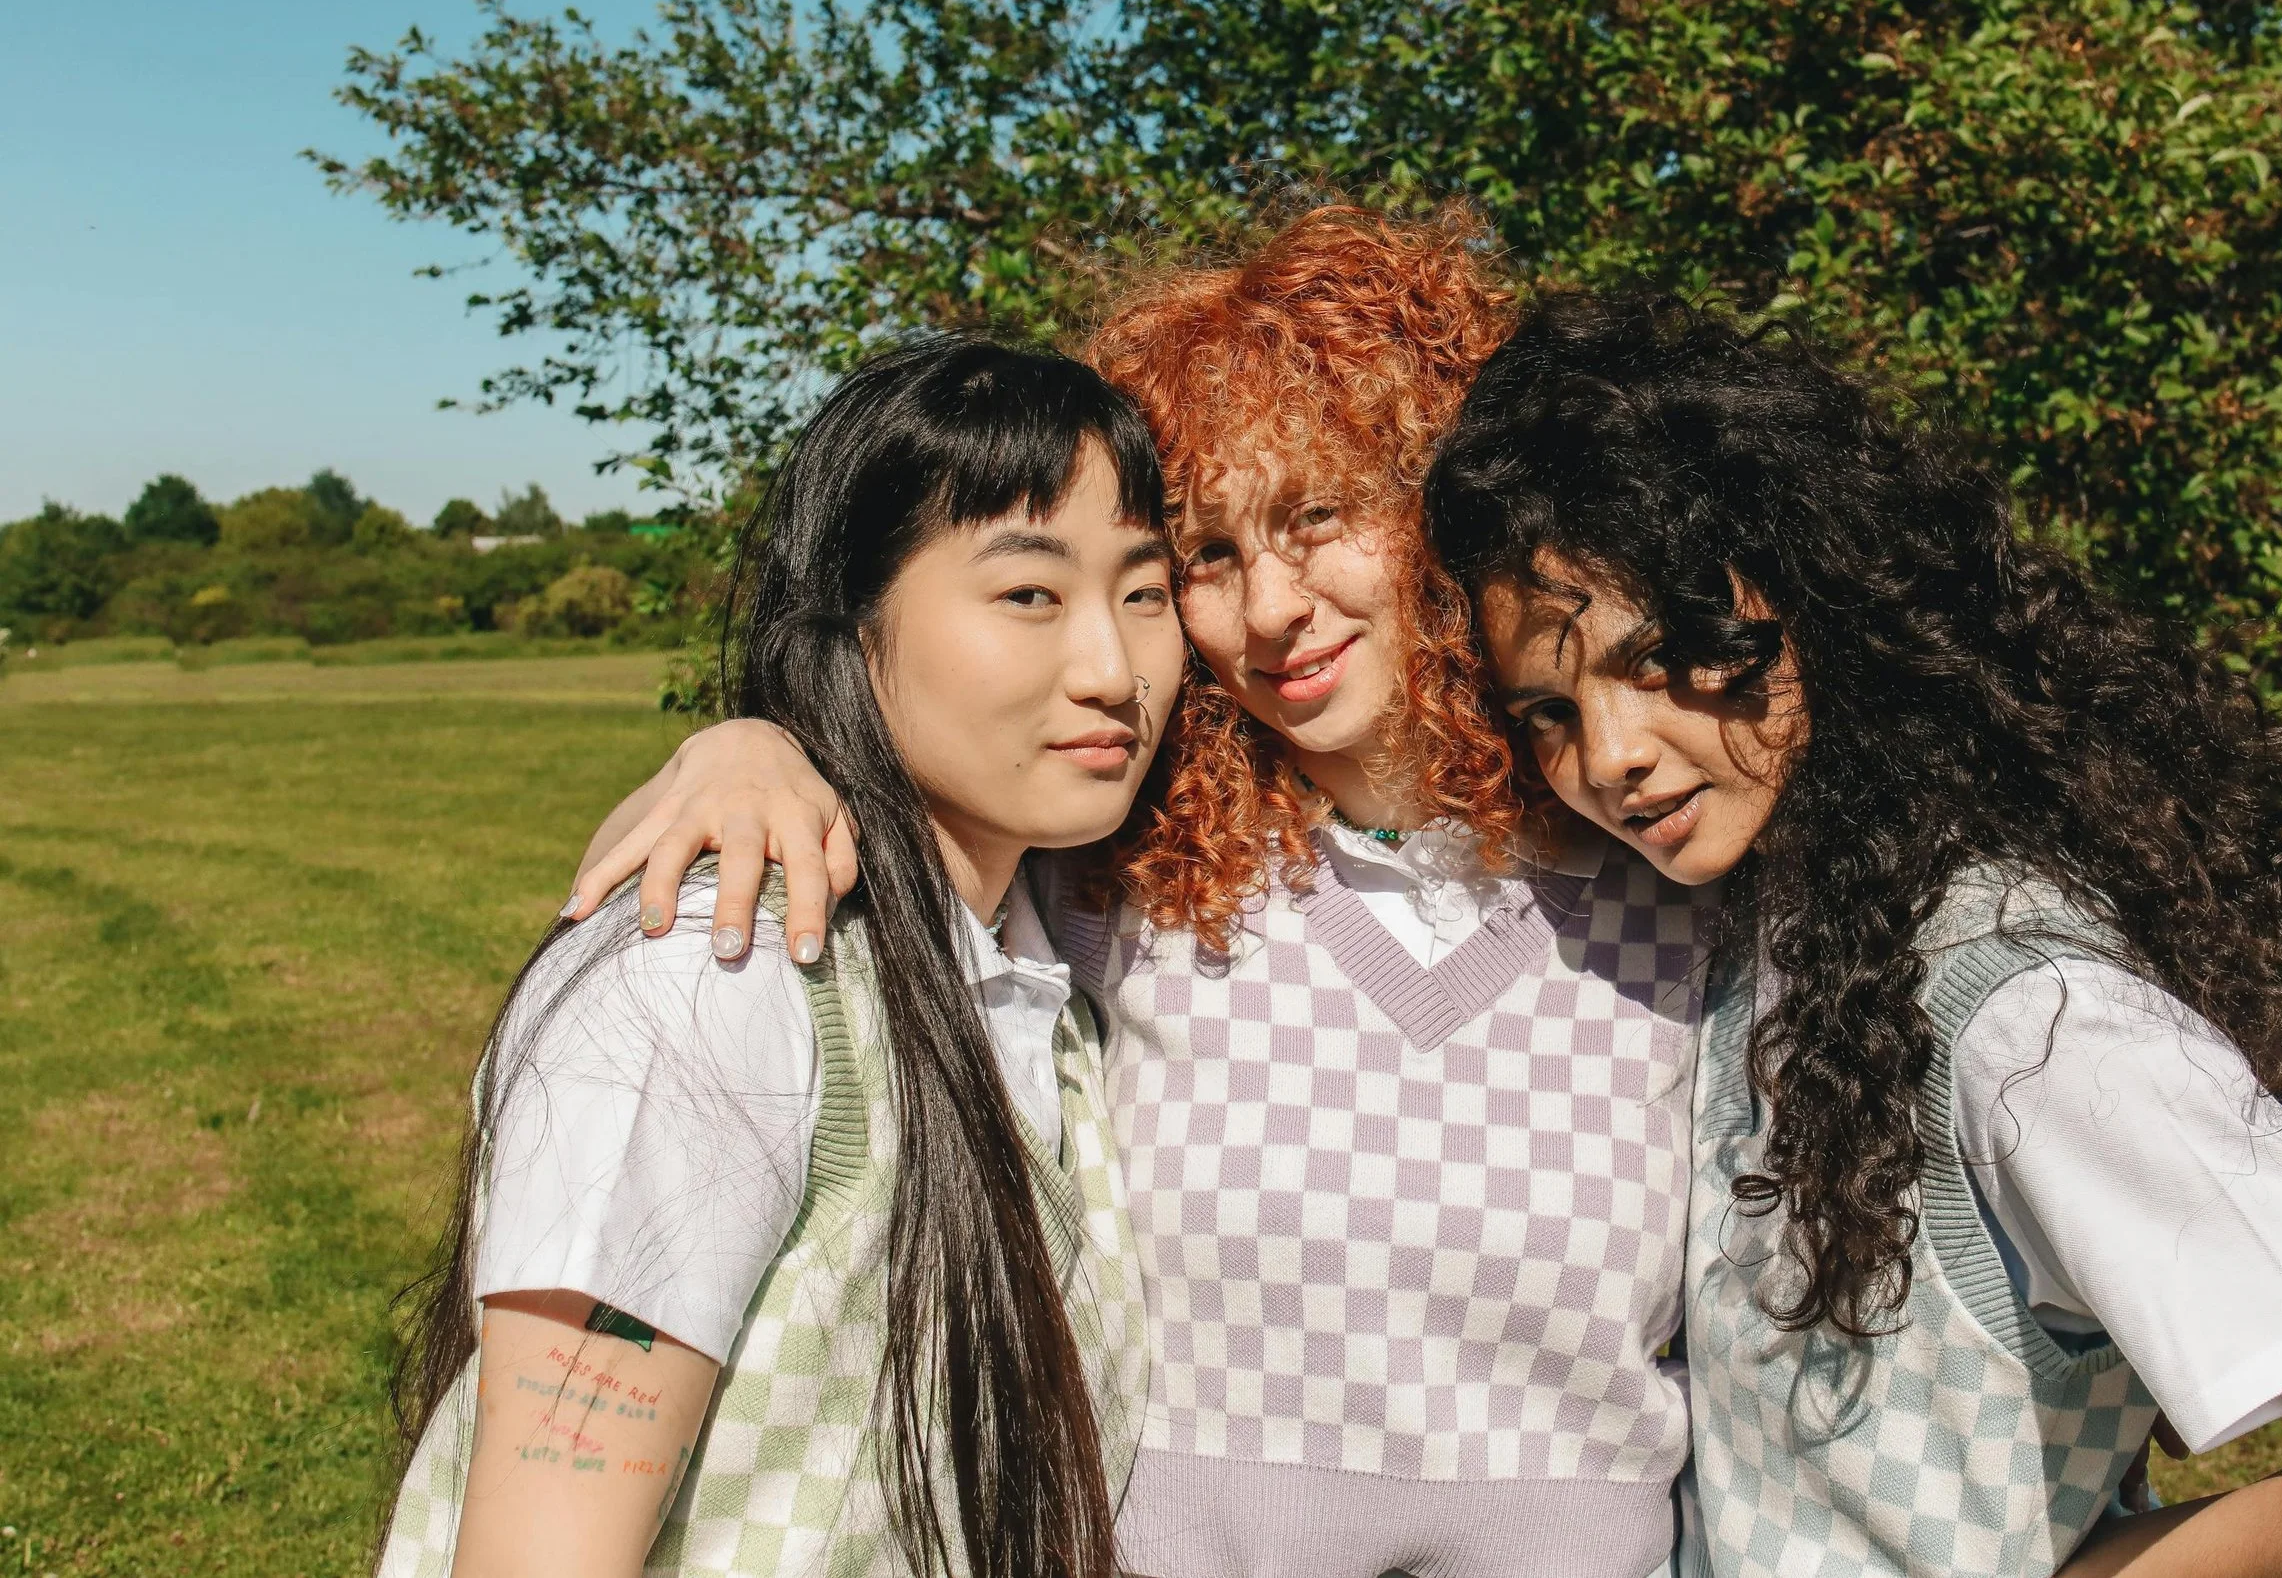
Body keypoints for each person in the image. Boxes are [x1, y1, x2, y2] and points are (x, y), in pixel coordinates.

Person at [569, 208, 1710, 1578]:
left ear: (1440, 511)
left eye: (1319, 516)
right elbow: (912, 775)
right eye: (1208, 558)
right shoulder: (1123, 870)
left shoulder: (1667, 854)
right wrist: (751, 742)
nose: (1272, 607)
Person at [1425, 289, 2282, 1578]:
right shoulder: (1779, 917)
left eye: (1659, 657)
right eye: (1546, 708)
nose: (1606, 756)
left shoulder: (2034, 1020)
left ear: (1815, 595)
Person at [378, 334, 1181, 1578]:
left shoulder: (1047, 982)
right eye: (1028, 592)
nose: (1114, 670)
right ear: (855, 630)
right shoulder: (720, 971)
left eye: (1144, 591)